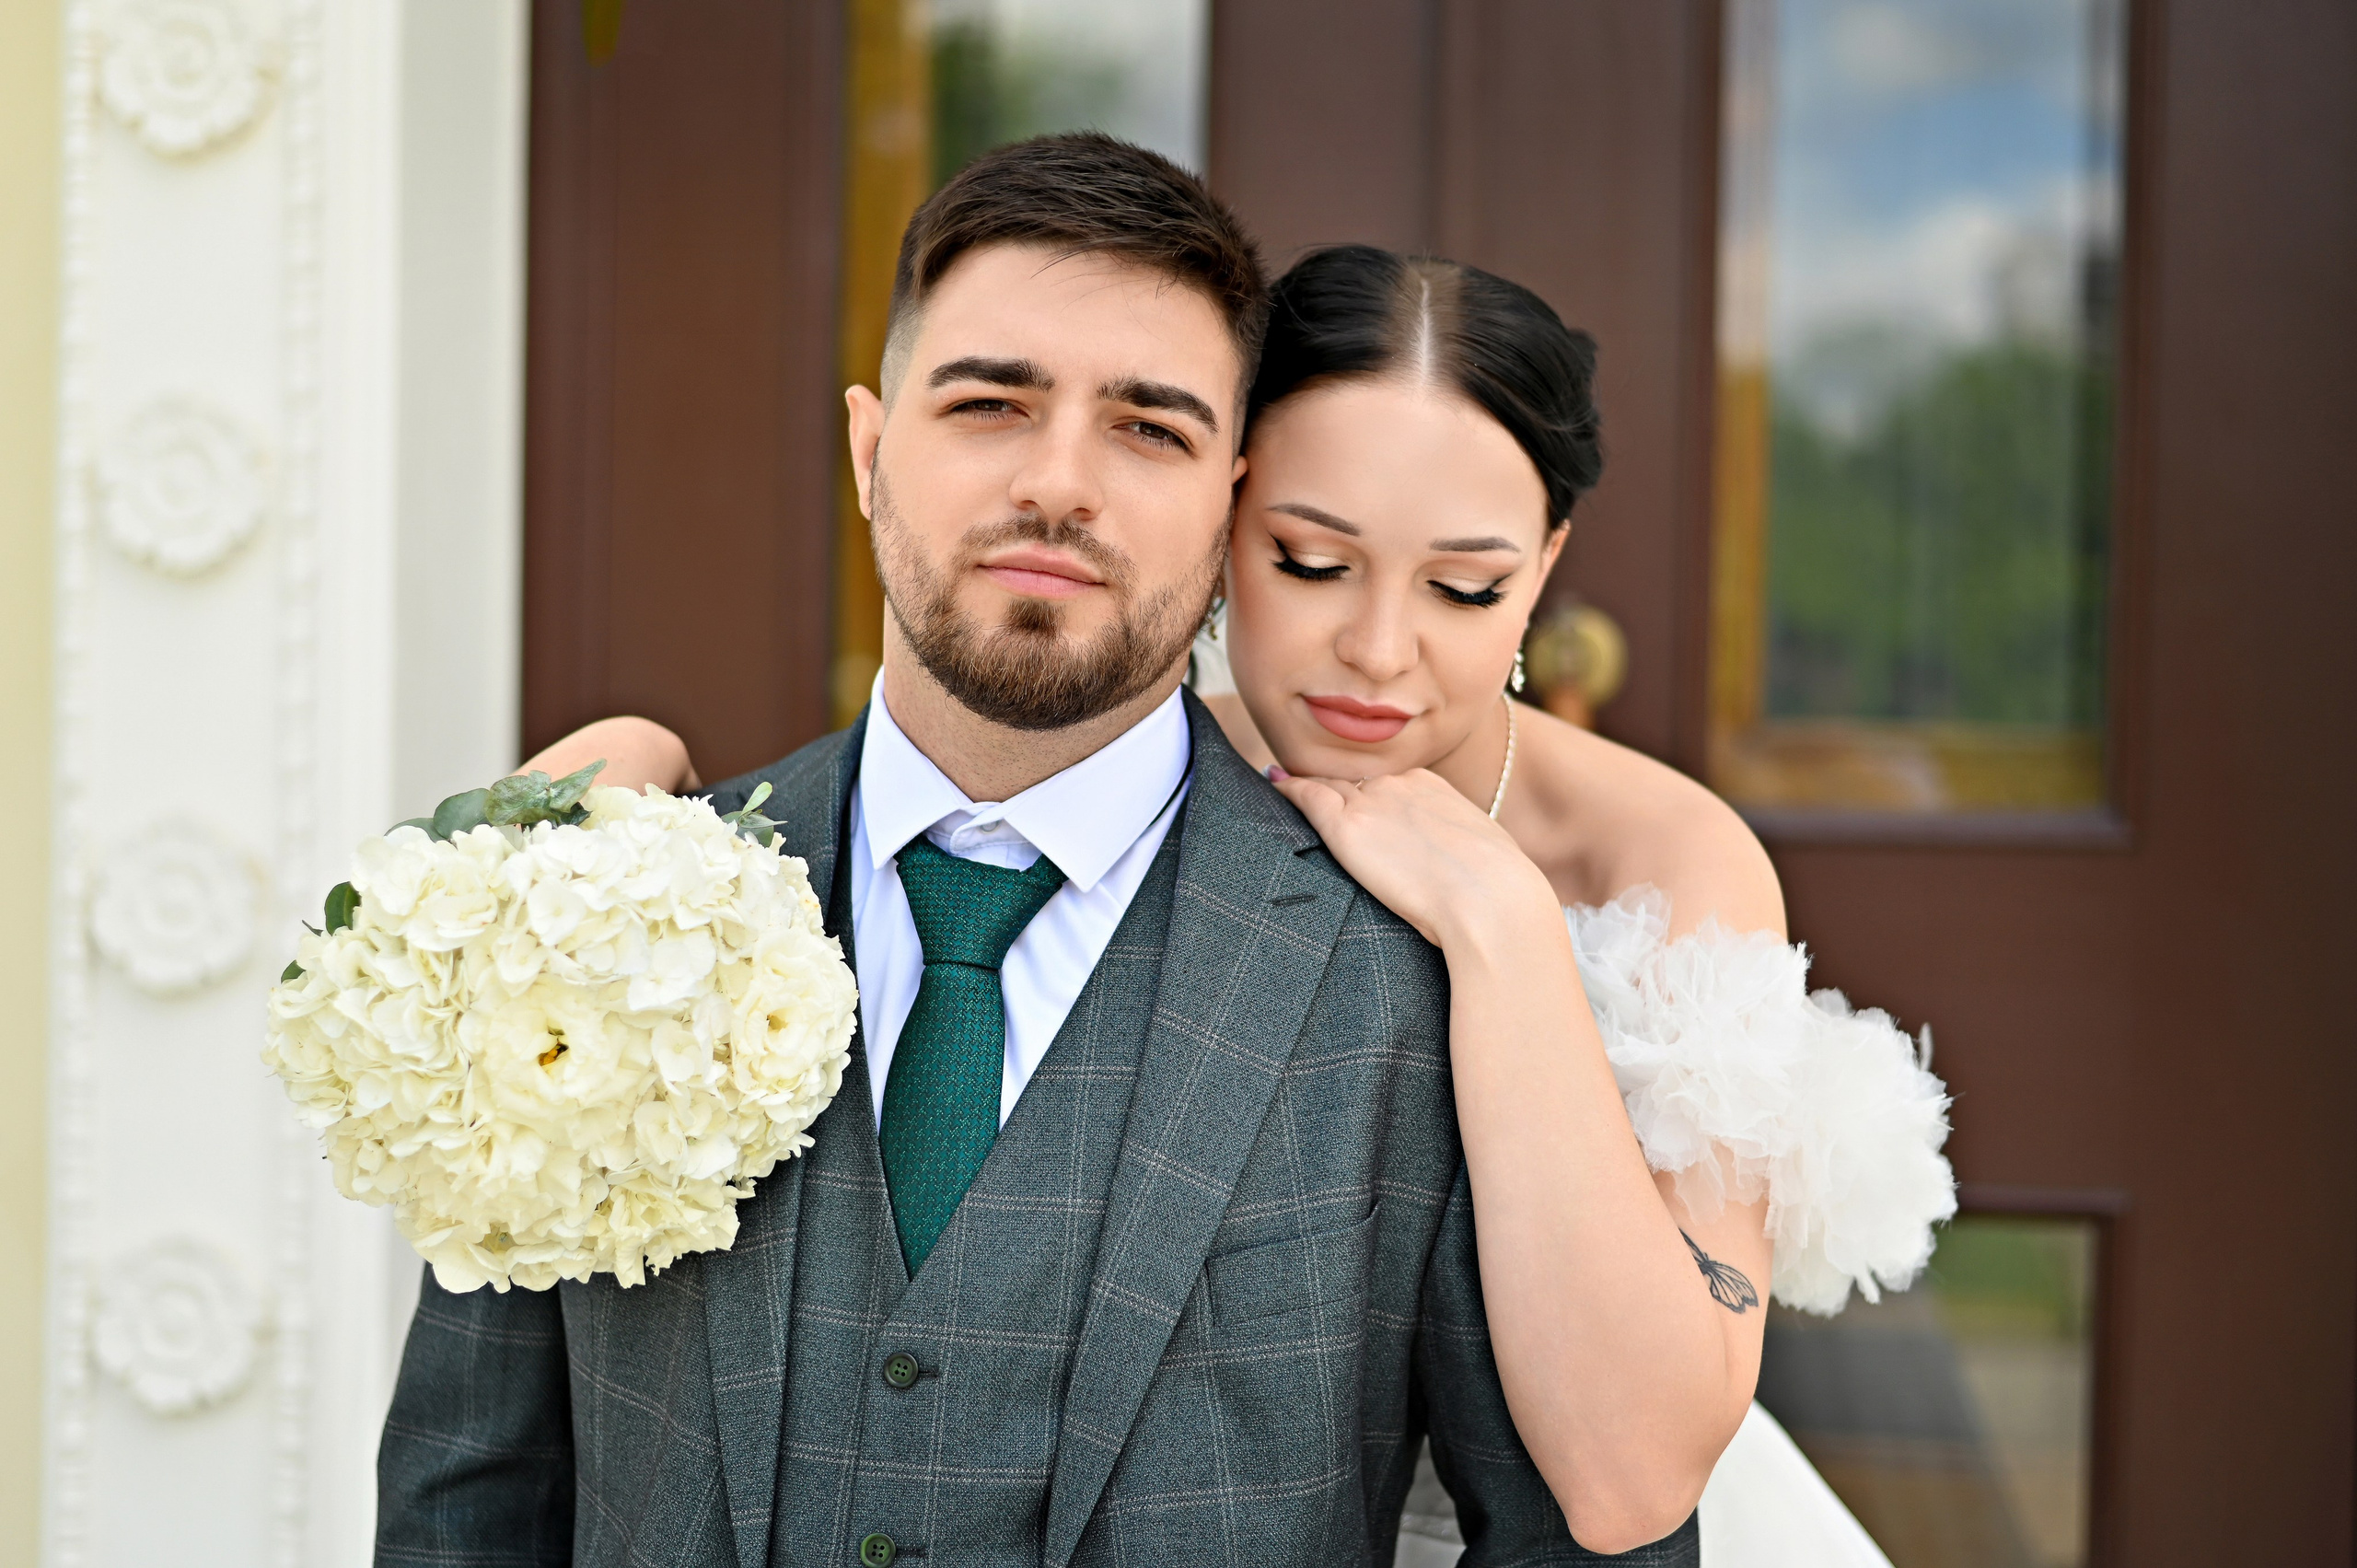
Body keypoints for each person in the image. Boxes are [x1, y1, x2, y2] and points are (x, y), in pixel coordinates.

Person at [529, 236, 1956, 1566]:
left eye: (1466, 589)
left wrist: (1505, 929)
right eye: (1310, 562)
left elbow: (1632, 1475)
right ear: (1220, 516)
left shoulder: (1664, 858)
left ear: (1547, 575)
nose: (1377, 653)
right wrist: (631, 760)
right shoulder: (1134, 766)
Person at [375, 136, 1700, 1566]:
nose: (1061, 483)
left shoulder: (1424, 985)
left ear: (1232, 498)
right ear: (873, 450)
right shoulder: (579, 915)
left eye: (1149, 428)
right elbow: (470, 1501)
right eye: (992, 403)